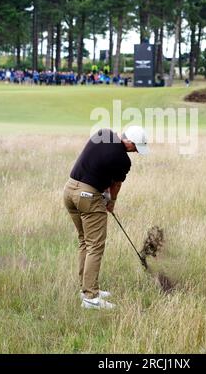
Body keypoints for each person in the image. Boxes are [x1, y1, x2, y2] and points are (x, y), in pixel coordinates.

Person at [63, 126, 149, 310]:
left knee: (85, 241)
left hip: (69, 190)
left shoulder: (103, 133)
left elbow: (96, 162)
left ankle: (86, 288)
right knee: (95, 245)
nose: (135, 152)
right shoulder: (122, 160)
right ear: (129, 142)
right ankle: (91, 299)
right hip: (87, 196)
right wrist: (111, 202)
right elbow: (115, 186)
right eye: (135, 148)